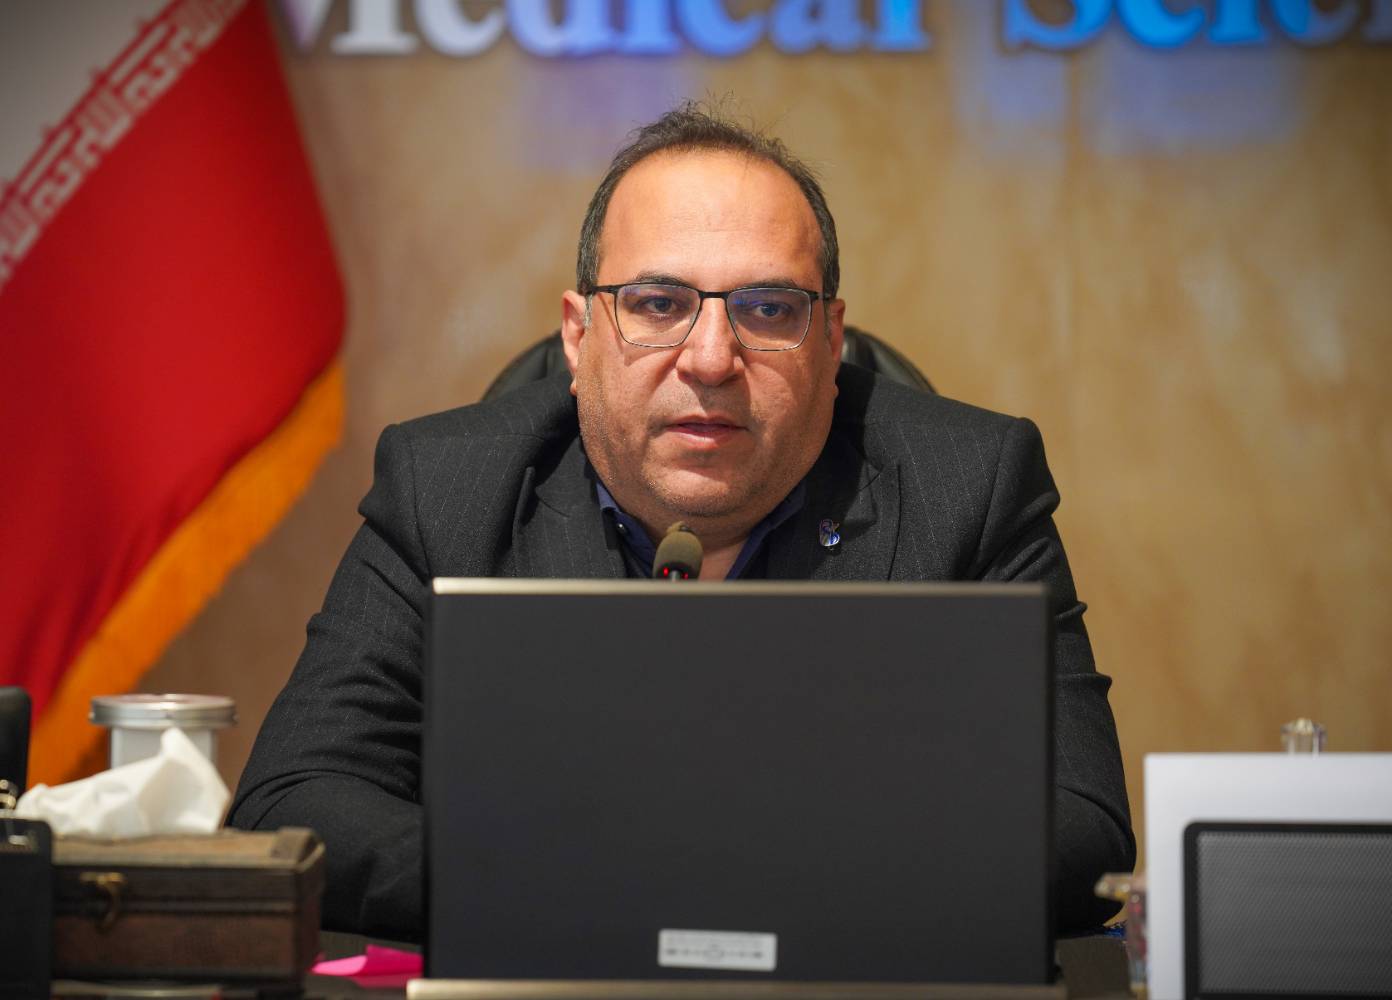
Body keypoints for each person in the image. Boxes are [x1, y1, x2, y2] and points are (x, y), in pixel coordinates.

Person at [229, 102, 1134, 941]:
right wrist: (578, 887)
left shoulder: (969, 486)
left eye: (768, 309)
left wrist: (758, 886)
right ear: (579, 338)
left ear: (831, 344)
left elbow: (1080, 822)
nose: (710, 358)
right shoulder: (448, 488)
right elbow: (294, 800)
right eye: (659, 304)